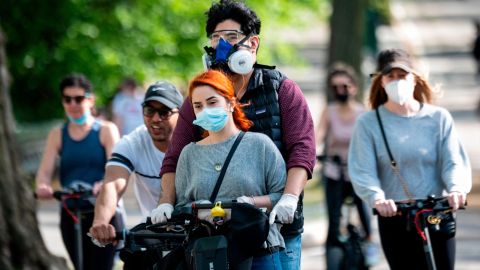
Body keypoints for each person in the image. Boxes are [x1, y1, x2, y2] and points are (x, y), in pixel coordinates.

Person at [151, 1, 316, 269]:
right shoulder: (200, 96)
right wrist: (165, 203)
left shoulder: (281, 90)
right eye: (216, 38)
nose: (221, 45)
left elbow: (303, 150)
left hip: (276, 227)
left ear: (252, 44)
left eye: (231, 37)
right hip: (216, 234)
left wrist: (288, 198)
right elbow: (175, 157)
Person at [348, 48, 472, 270]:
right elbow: (362, 169)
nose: (397, 81)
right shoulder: (368, 123)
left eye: (402, 75)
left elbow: (453, 160)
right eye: (390, 76)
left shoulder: (438, 118)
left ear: (414, 78)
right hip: (395, 216)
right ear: (381, 82)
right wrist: (377, 198)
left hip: (436, 214)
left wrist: (456, 189)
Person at [171, 69, 286, 268]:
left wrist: (249, 203)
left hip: (259, 250)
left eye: (212, 102)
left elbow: (282, 196)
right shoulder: (189, 154)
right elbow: (182, 206)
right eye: (198, 106)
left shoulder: (260, 145)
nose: (205, 110)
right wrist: (201, 211)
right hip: (210, 253)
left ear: (231, 103)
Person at [88, 81, 183, 269]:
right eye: (149, 111)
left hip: (194, 231)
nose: (155, 118)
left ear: (180, 113)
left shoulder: (194, 140)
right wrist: (101, 222)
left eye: (164, 112)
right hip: (154, 232)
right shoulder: (132, 143)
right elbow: (113, 184)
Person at [35, 74, 122, 270]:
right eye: (68, 99)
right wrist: (43, 186)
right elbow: (45, 171)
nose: (73, 104)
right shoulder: (58, 134)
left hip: (102, 210)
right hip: (70, 211)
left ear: (90, 99)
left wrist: (105, 184)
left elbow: (116, 168)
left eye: (79, 98)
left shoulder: (106, 130)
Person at [316, 63, 378, 267]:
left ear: (354, 87)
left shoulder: (362, 112)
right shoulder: (330, 110)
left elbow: (372, 140)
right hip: (335, 171)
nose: (340, 91)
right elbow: (319, 136)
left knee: (366, 216)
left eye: (344, 86)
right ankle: (332, 256)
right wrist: (313, 154)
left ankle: (369, 248)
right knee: (334, 219)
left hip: (358, 173)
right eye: (335, 88)